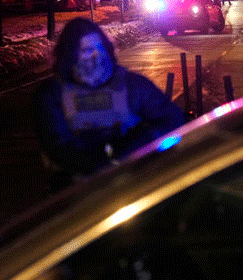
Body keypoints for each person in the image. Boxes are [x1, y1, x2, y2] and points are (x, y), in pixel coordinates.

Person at [34, 17, 185, 190]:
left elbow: (171, 120)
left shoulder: (133, 85)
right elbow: (56, 144)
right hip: (78, 190)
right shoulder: (52, 94)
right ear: (70, 55)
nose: (96, 57)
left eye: (99, 48)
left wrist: (134, 148)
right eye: (87, 50)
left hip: (133, 182)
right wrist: (100, 164)